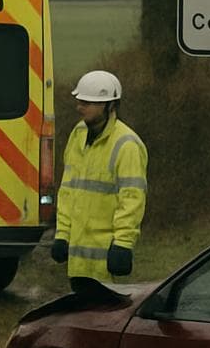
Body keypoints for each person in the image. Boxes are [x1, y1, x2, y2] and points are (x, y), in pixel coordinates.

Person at [51, 70, 148, 292]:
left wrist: (123, 244)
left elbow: (132, 200)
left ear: (109, 106)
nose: (80, 107)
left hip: (107, 263)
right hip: (78, 263)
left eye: (88, 103)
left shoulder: (127, 145)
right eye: (80, 101)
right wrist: (62, 235)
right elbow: (67, 190)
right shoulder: (78, 135)